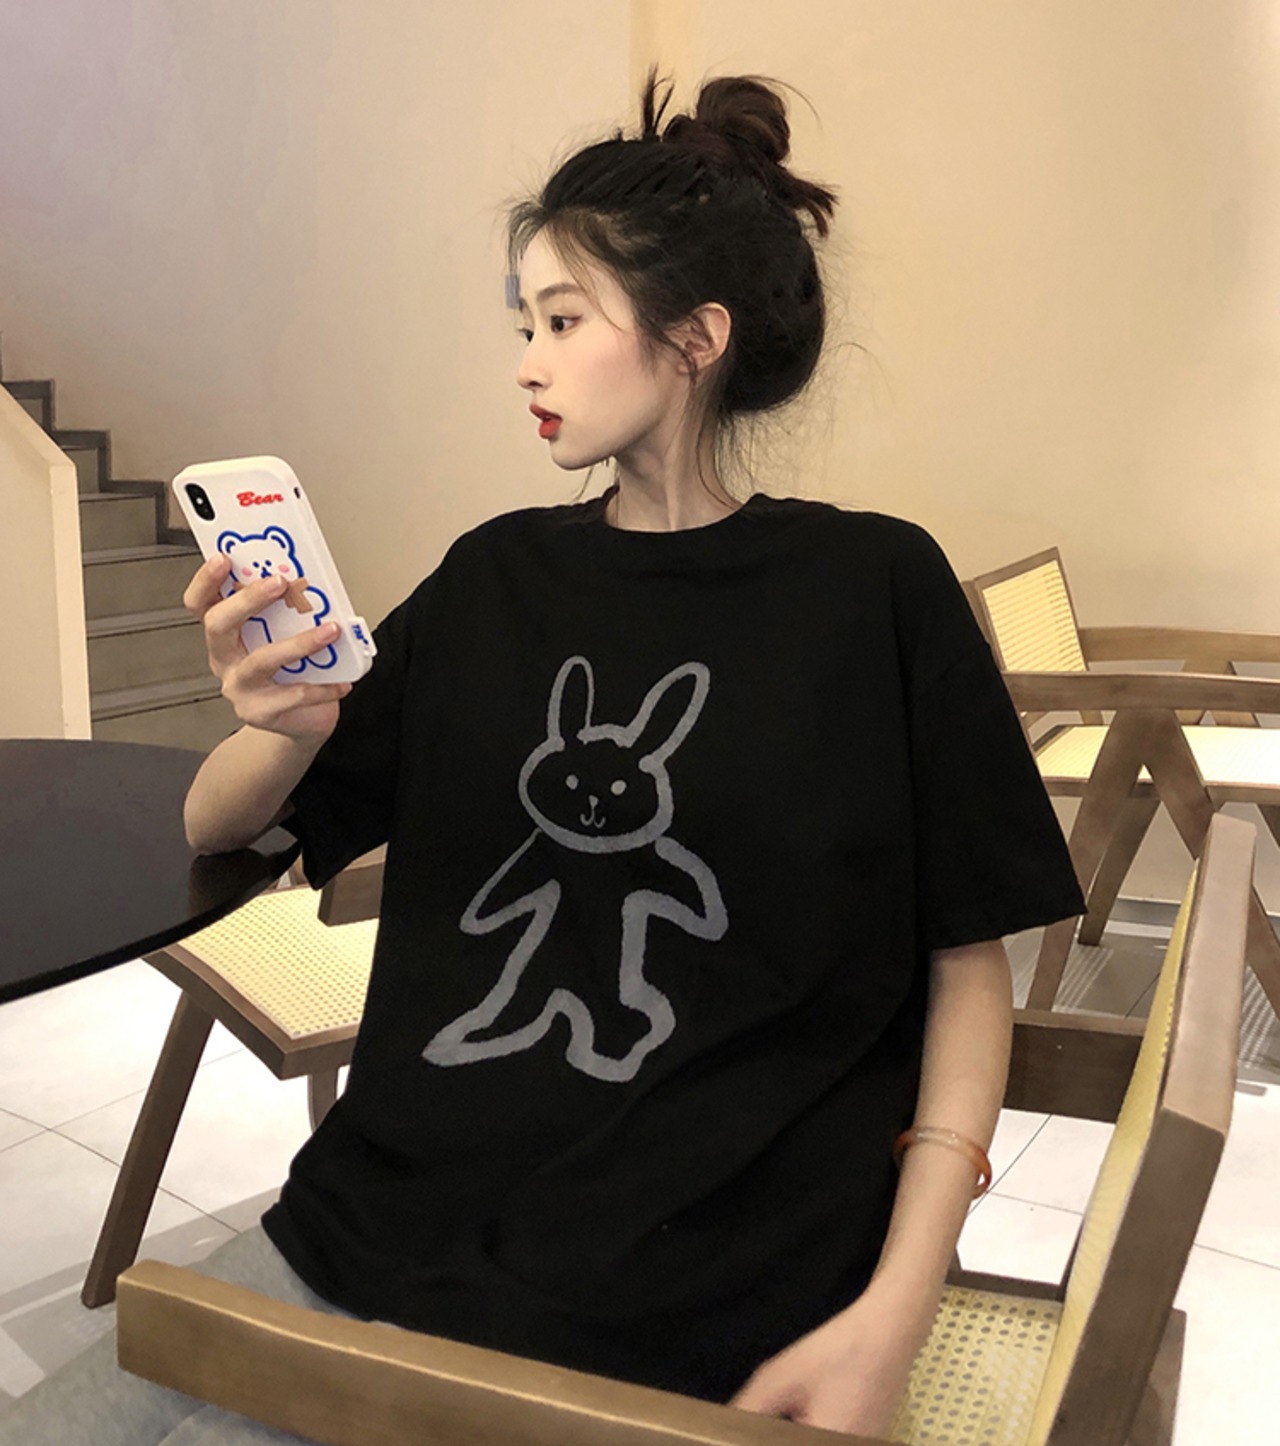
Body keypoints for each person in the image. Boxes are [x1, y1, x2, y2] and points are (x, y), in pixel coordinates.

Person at [4, 72, 1083, 1443]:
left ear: (695, 337)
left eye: (563, 321)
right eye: (524, 324)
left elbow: (966, 962)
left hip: (702, 1306)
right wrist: (278, 729)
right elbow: (219, 830)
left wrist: (895, 1313)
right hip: (376, 1228)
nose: (526, 361)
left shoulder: (875, 588)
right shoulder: (492, 580)